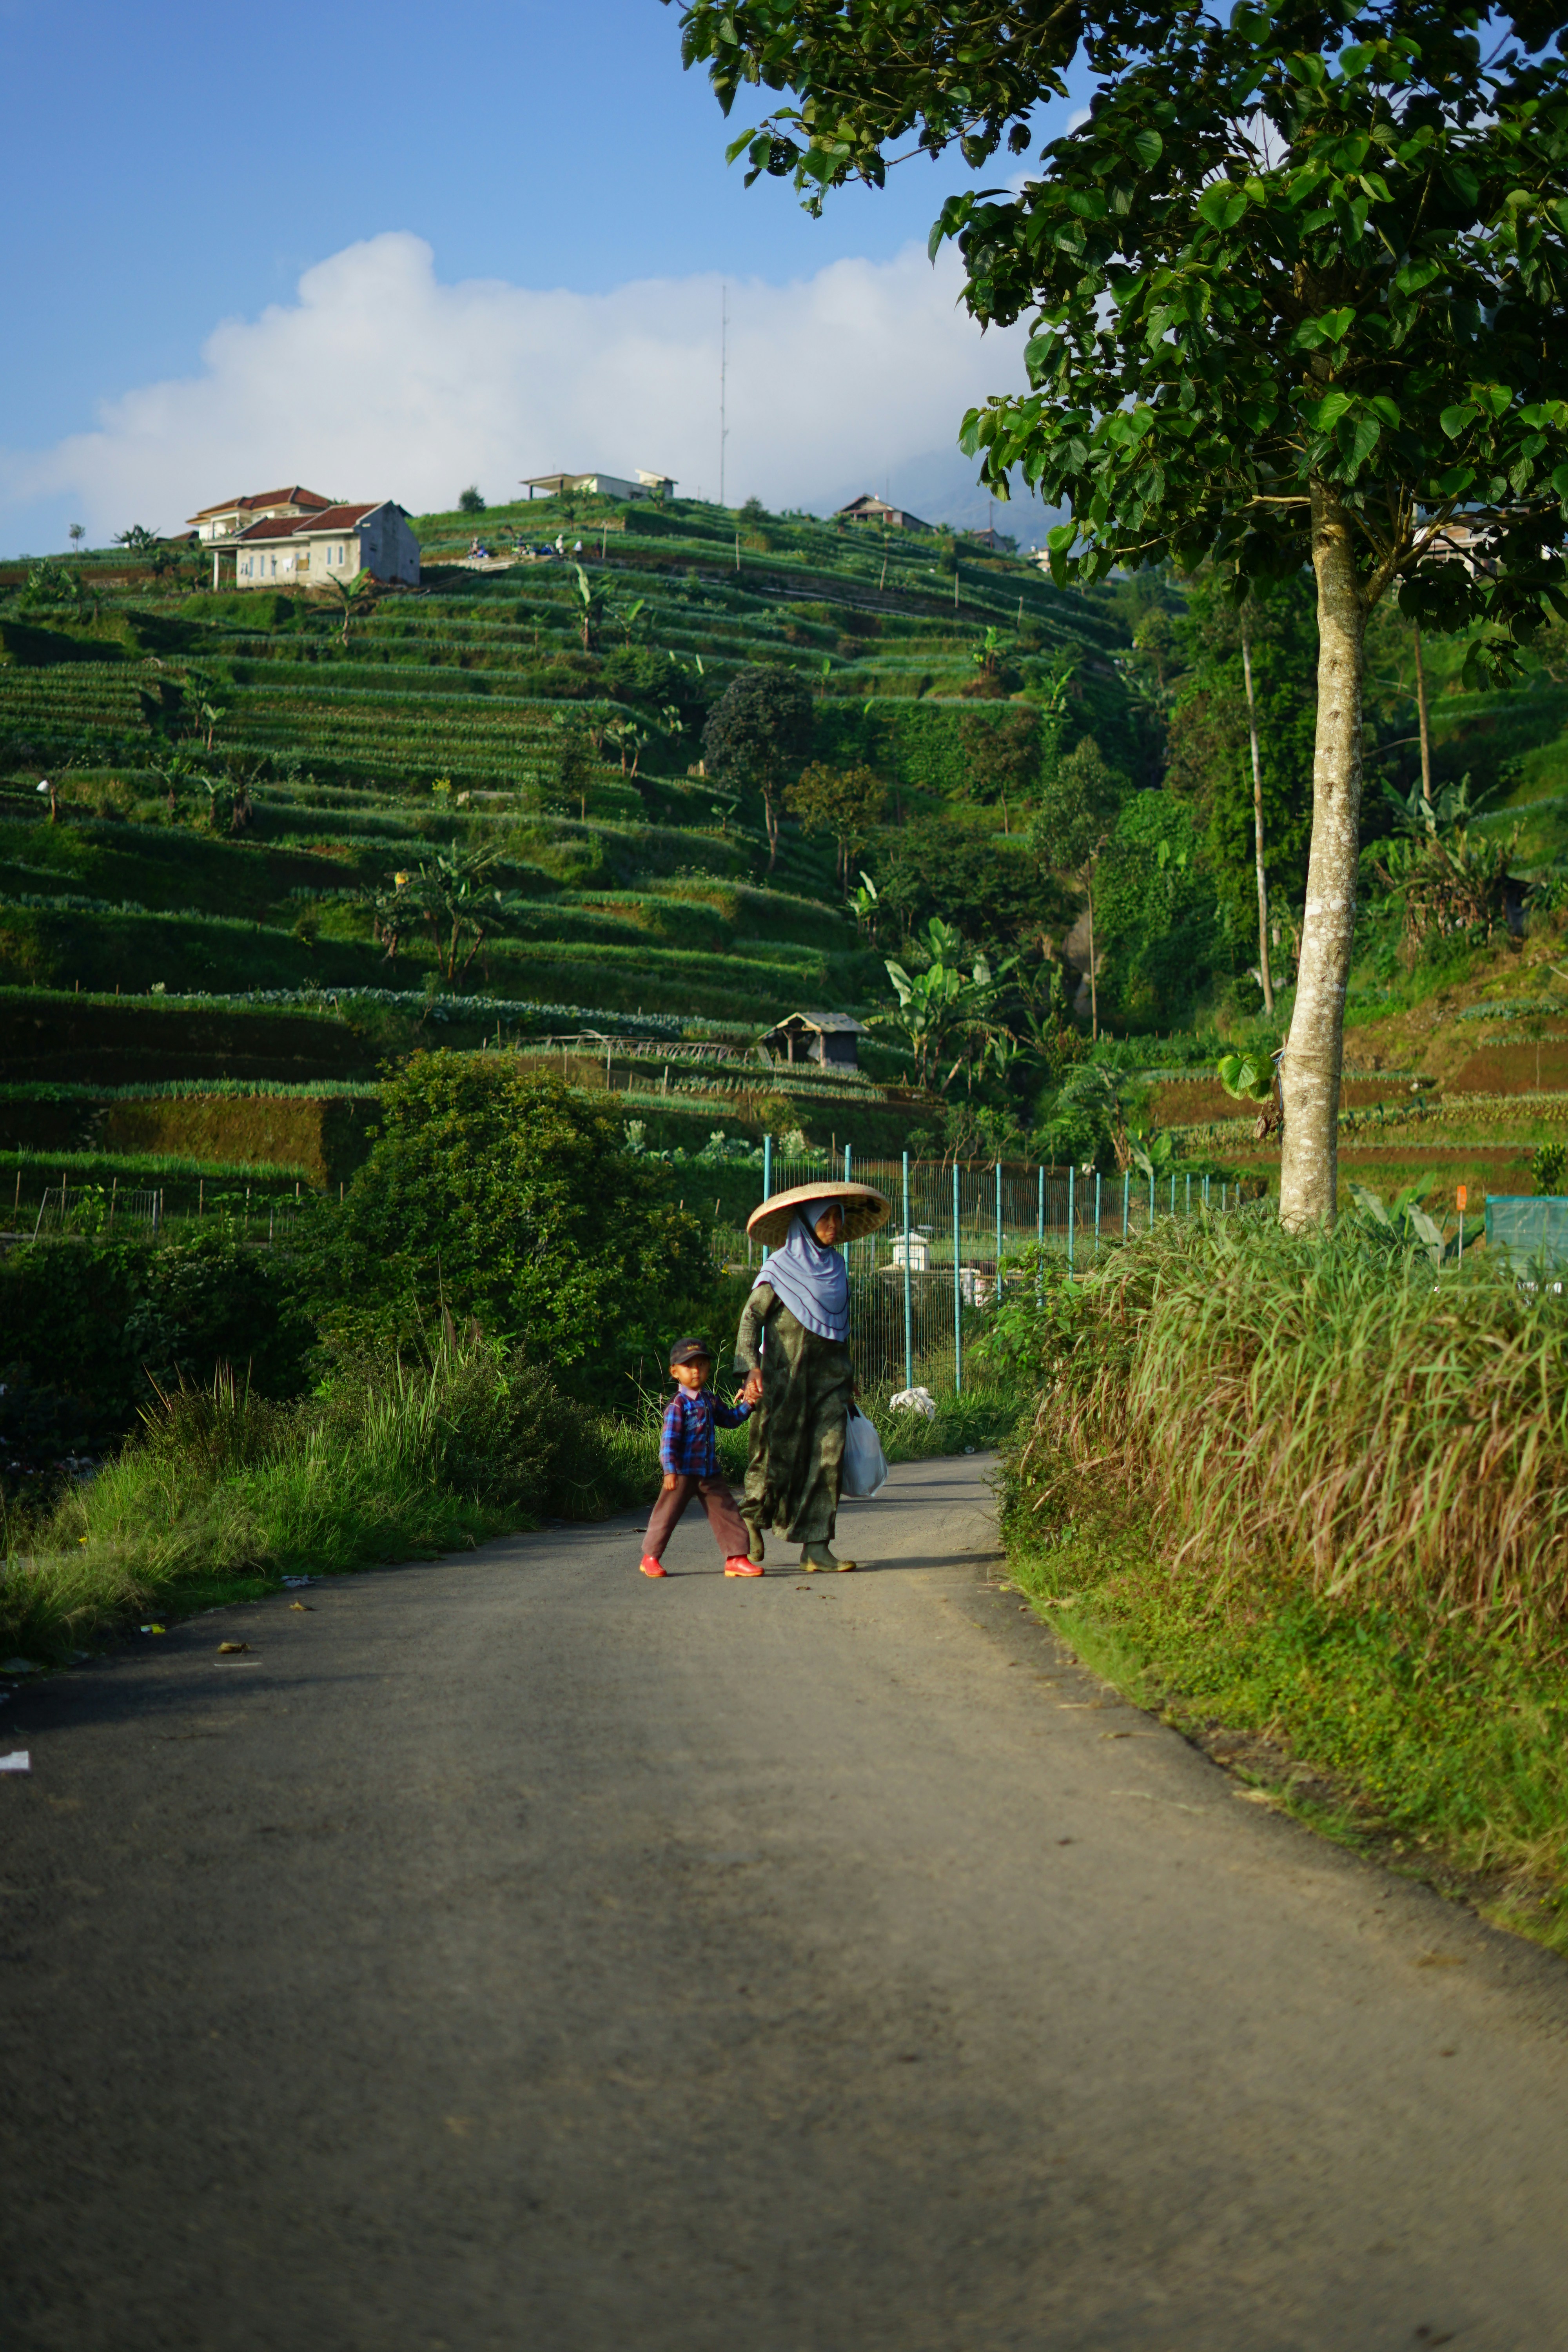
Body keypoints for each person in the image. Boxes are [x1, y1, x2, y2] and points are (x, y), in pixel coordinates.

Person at [735, 1181, 890, 1573]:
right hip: (783, 1382)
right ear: (805, 1222)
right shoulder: (778, 1270)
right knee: (774, 1455)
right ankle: (753, 1521)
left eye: (838, 1216)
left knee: (828, 1459)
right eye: (826, 1217)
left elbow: (839, 1328)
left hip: (829, 1382)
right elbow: (750, 1321)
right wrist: (751, 1368)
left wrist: (848, 1374)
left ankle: (816, 1546)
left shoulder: (837, 1268)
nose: (834, 1224)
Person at [641, 1336, 758, 1580]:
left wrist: (748, 1405)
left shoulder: (710, 1399)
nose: (697, 1371)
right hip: (682, 1472)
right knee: (667, 1514)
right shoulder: (678, 1405)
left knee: (727, 1510)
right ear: (675, 1372)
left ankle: (736, 1558)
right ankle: (650, 1557)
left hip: (708, 1470)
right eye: (689, 1366)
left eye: (702, 1365)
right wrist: (669, 1470)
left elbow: (730, 1419)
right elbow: (668, 1441)